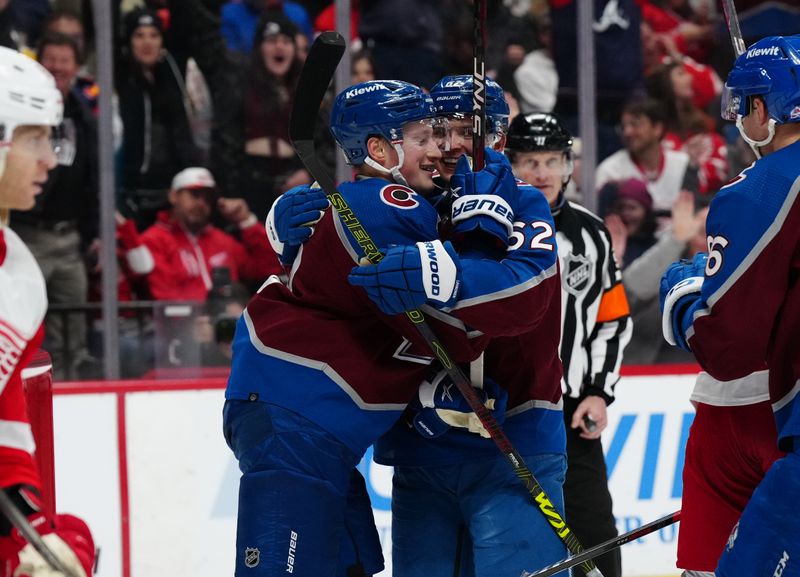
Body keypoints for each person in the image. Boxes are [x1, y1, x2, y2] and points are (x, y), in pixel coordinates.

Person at [226, 79, 560, 577]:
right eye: (434, 133)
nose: (447, 146)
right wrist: (294, 235)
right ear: (383, 147)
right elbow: (439, 327)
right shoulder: (400, 203)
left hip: (507, 440)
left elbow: (521, 300)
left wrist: (466, 258)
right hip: (358, 431)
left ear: (499, 137)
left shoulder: (518, 201)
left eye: (465, 131)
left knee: (349, 564)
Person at [659, 35, 800, 576]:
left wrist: (688, 300)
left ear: (761, 108)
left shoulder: (763, 188)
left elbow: (728, 346)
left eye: (745, 106)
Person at [505, 112, 632, 577]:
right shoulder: (487, 229)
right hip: (505, 411)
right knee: (508, 533)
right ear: (510, 164)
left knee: (595, 532)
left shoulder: (591, 233)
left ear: (567, 165)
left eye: (553, 161)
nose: (542, 173)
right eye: (530, 161)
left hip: (572, 412)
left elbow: (612, 320)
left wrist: (598, 390)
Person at [0, 45, 95, 577]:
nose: (50, 158)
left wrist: (36, 537)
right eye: (35, 137)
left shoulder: (19, 277)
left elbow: (7, 439)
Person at [9, 32, 98, 381]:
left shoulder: (83, 113)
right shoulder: (22, 111)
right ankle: (36, 385)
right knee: (31, 321)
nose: (58, 67)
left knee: (73, 325)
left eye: (65, 60)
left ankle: (71, 385)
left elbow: (94, 179)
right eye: (52, 59)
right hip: (32, 233)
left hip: (70, 237)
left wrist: (93, 233)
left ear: (77, 67)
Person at [138, 166, 280, 301]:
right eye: (195, 194)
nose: (201, 203)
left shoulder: (222, 241)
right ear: (173, 196)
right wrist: (201, 318)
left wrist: (246, 221)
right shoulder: (153, 240)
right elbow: (164, 297)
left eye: (207, 198)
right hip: (180, 325)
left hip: (226, 323)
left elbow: (268, 267)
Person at [595, 97, 690, 214]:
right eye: (623, 126)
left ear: (657, 128)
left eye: (635, 124)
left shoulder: (683, 164)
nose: (627, 132)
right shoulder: (610, 170)